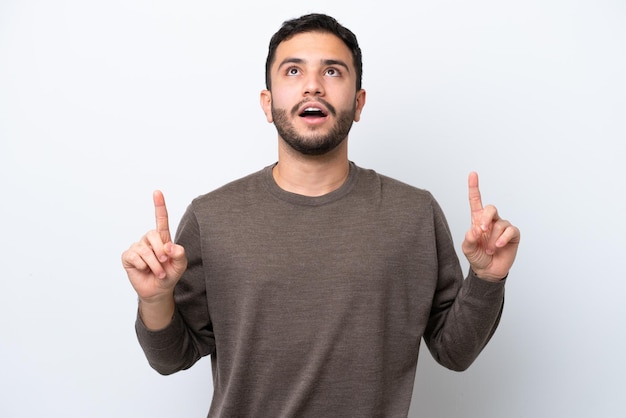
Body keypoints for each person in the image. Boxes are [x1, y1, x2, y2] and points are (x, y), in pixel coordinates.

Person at [121, 13, 520, 417]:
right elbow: (170, 358)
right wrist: (154, 300)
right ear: (268, 102)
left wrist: (487, 279)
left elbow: (455, 351)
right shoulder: (212, 218)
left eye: (332, 71)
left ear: (359, 102)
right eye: (293, 70)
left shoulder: (414, 215)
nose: (313, 85)